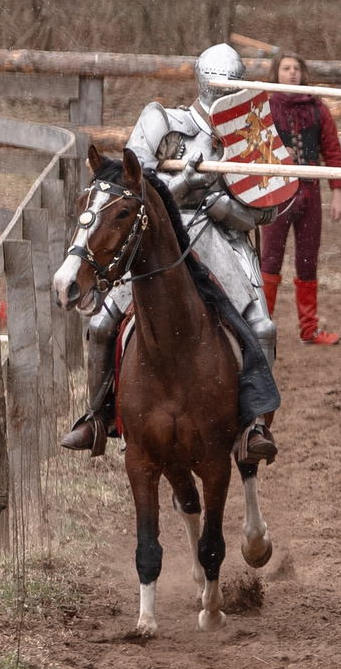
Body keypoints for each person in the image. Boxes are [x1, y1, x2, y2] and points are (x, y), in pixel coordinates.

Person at [61, 43, 280, 464]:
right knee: (105, 322)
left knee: (262, 327)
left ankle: (254, 425)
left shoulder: (249, 137)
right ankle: (96, 417)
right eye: (218, 84)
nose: (223, 92)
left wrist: (224, 206)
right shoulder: (163, 122)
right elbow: (133, 185)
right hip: (159, 234)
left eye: (232, 85)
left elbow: (264, 211)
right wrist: (182, 185)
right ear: (201, 80)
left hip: (219, 234)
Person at [263, 54, 341, 347]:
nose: (292, 73)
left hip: (310, 193)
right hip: (276, 194)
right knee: (269, 261)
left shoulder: (317, 108)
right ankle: (263, 328)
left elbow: (332, 150)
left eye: (297, 68)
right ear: (276, 74)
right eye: (286, 68)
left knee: (308, 261)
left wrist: (337, 192)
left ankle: (309, 330)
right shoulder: (265, 107)